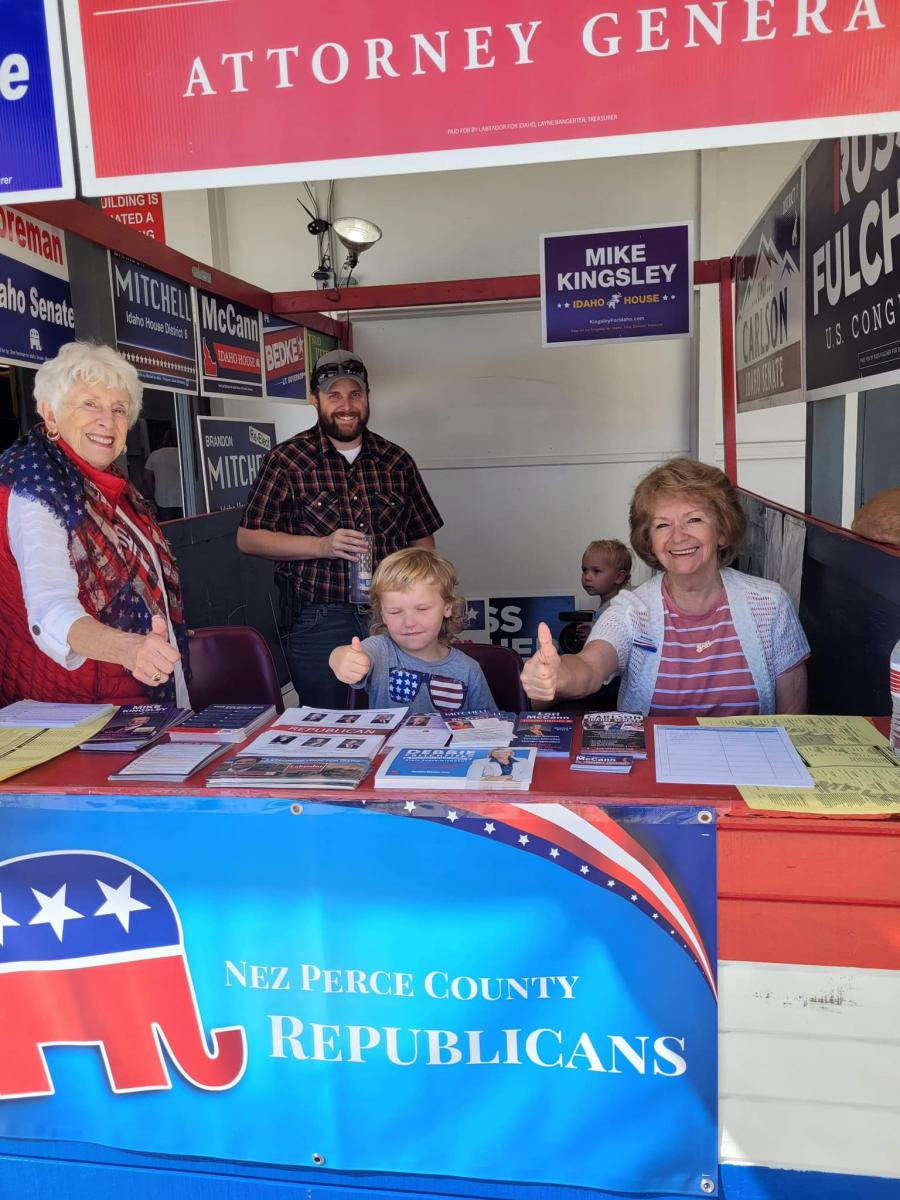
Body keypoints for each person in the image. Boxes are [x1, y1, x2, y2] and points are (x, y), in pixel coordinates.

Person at [522, 458, 809, 716]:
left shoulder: (770, 603)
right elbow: (590, 667)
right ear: (649, 541)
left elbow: (792, 721)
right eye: (662, 525)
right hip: (654, 771)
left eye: (693, 519)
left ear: (722, 532)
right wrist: (558, 674)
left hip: (748, 770)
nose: (678, 537)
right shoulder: (632, 610)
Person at [238, 349, 443, 707]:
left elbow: (423, 541)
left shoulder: (396, 460)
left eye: (355, 394)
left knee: (405, 713)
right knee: (328, 721)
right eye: (334, 395)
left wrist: (422, 600)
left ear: (367, 398)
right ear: (315, 400)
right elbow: (248, 538)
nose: (346, 405)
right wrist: (322, 546)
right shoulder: (287, 460)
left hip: (391, 613)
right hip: (318, 618)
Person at [0, 341, 189, 706]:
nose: (108, 421)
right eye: (90, 404)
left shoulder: (107, 482)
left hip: (132, 695)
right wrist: (131, 647)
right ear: (50, 414)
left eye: (120, 410)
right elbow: (50, 611)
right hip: (76, 713)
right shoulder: (32, 487)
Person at [329, 547, 496, 715]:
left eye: (422, 609)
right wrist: (340, 658)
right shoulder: (380, 650)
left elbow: (488, 728)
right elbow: (345, 655)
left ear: (447, 607)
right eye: (395, 612)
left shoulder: (468, 669)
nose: (409, 622)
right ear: (382, 615)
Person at [577, 539, 632, 640]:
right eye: (585, 570)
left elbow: (618, 636)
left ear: (619, 577)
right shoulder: (608, 604)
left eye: (596, 571)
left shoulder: (617, 607)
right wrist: (593, 629)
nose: (587, 577)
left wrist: (597, 629)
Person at [143, 428, 184, 521]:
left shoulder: (155, 455)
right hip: (183, 499)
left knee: (167, 532)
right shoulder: (183, 454)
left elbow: (146, 478)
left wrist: (152, 495)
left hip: (162, 500)